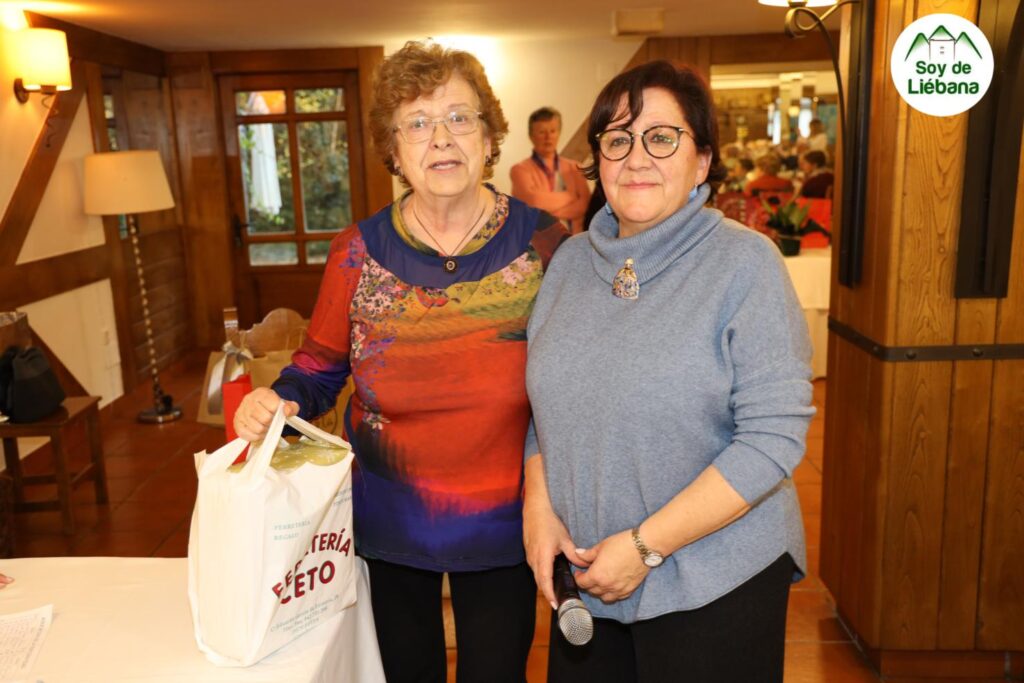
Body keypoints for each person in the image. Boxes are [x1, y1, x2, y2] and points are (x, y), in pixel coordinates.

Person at [233, 40, 567, 683]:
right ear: (393, 149)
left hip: (509, 516)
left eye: (459, 117)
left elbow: (573, 382)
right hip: (388, 514)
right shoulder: (356, 251)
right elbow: (319, 367)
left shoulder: (546, 244)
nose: (440, 138)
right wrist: (278, 397)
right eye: (416, 123)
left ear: (489, 136)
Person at [522, 60, 815, 683]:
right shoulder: (569, 263)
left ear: (702, 161)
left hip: (714, 579)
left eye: (661, 137)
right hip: (590, 576)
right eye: (617, 139)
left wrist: (644, 546)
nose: (636, 158)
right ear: (597, 159)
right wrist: (539, 509)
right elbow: (544, 406)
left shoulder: (745, 264)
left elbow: (772, 440)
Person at [510, 107, 591, 233]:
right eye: (542, 132)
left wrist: (547, 213)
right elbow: (535, 202)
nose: (548, 137)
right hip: (537, 242)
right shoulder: (519, 170)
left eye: (553, 131)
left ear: (559, 133)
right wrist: (572, 196)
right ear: (531, 136)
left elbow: (585, 205)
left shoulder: (575, 168)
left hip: (575, 240)